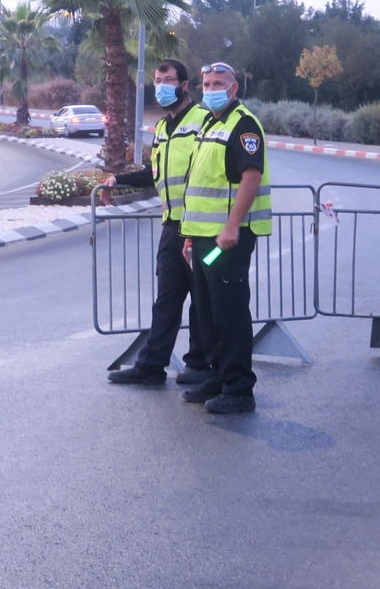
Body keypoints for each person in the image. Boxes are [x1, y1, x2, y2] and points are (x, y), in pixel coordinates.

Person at [100, 58, 209, 386]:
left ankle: (199, 365)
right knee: (167, 300)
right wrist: (117, 179)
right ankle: (152, 366)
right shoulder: (162, 128)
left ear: (184, 85)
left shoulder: (204, 121)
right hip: (172, 226)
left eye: (167, 80)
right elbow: (156, 173)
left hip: (201, 227)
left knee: (202, 300)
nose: (161, 87)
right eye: (157, 81)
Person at [177, 62, 271, 414]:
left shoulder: (243, 124)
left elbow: (250, 177)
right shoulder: (210, 122)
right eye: (206, 83)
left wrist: (232, 225)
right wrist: (189, 236)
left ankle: (239, 388)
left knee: (230, 312)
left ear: (233, 88)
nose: (210, 88)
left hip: (226, 241)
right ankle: (216, 377)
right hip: (204, 241)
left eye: (218, 83)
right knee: (208, 311)